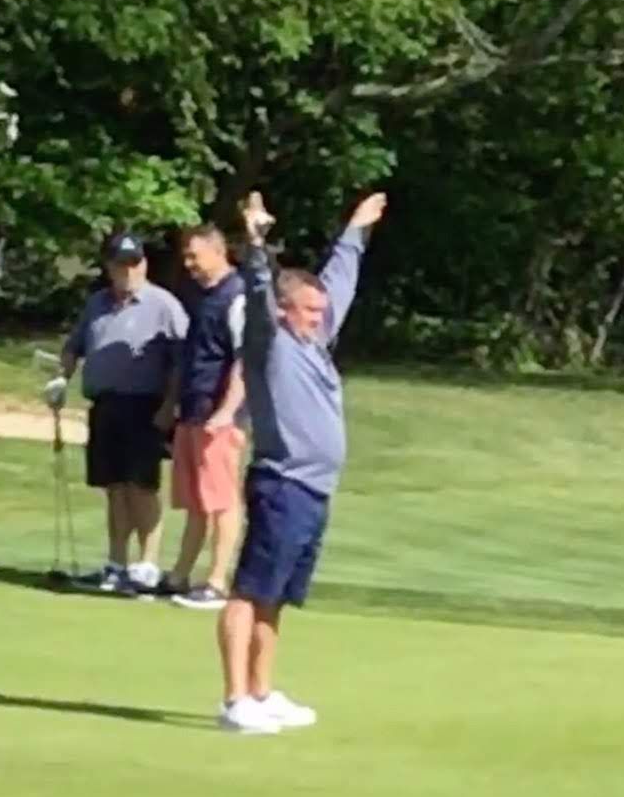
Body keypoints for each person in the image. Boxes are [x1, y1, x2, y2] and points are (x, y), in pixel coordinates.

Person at [216, 190, 388, 733]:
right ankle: (234, 699)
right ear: (286, 312)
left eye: (320, 312)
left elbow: (340, 280)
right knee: (250, 592)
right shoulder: (270, 342)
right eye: (309, 311)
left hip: (314, 491)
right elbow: (259, 285)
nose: (319, 318)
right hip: (281, 484)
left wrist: (356, 230)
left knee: (278, 598)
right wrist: (256, 239)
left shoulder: (315, 338)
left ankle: (263, 692)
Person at [44, 232, 189, 595]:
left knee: (141, 486)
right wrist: (61, 378)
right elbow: (74, 347)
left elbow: (179, 363)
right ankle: (116, 563)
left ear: (144, 263)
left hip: (146, 406)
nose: (127, 270)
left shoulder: (163, 305)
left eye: (134, 262)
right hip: (105, 405)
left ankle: (148, 564)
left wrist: (170, 406)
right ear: (108, 266)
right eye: (120, 263)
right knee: (114, 486)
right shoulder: (97, 304)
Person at [159, 223, 247, 610]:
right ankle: (180, 574)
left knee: (222, 499)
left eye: (195, 255)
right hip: (193, 410)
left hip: (220, 415)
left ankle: (216, 580)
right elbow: (190, 357)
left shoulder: (238, 297)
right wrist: (172, 405)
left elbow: (246, 362)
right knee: (195, 498)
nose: (189, 263)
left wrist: (227, 412)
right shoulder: (199, 296)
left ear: (218, 251)